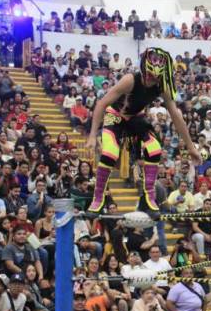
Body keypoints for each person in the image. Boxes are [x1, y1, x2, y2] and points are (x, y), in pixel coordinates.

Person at [85, 47, 202, 215]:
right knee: (110, 152)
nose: (151, 80)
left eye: (155, 77)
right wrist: (91, 136)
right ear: (144, 69)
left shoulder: (163, 86)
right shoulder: (129, 79)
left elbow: (176, 116)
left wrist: (191, 147)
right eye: (149, 75)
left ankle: (149, 197)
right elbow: (101, 104)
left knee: (154, 148)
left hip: (134, 117)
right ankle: (98, 197)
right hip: (115, 116)